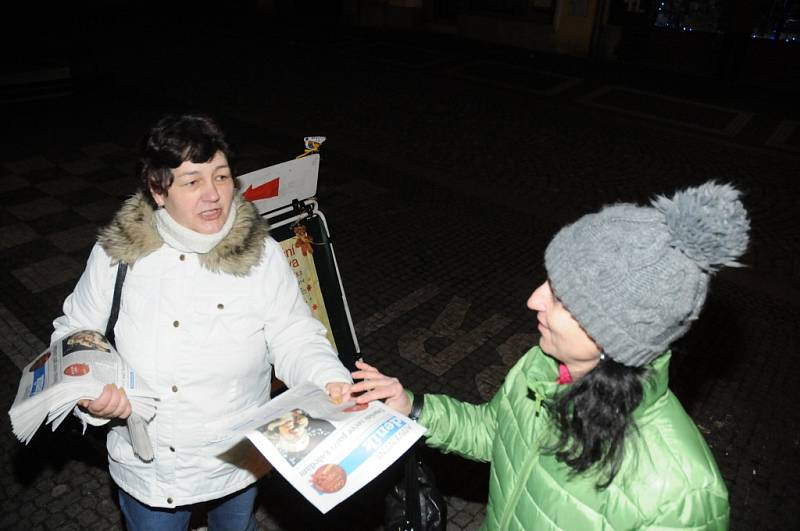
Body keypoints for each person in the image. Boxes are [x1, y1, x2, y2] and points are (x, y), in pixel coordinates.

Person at [351, 181, 748, 530]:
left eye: (560, 297)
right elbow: (495, 434)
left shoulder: (681, 494)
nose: (533, 299)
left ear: (611, 335)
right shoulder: (542, 367)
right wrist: (413, 407)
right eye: (547, 281)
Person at [52, 113, 353, 531]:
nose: (213, 195)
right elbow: (73, 332)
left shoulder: (260, 254)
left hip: (234, 459)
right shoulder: (118, 254)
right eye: (193, 181)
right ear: (158, 190)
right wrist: (92, 391)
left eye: (222, 176)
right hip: (151, 467)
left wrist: (328, 379)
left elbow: (293, 332)